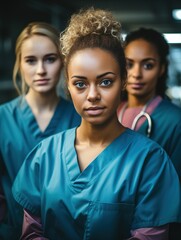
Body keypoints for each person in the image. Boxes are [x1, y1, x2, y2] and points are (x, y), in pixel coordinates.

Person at [12, 8, 180, 240]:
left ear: (122, 81)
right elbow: (31, 233)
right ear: (68, 86)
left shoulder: (150, 161)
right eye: (80, 84)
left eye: (106, 82)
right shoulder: (44, 155)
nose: (92, 95)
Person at [0, 21, 80, 240]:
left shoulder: (80, 117)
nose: (41, 70)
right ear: (19, 64)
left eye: (50, 59)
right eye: (31, 61)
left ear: (63, 62)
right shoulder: (3, 118)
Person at [117, 27, 181, 239]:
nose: (137, 74)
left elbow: (172, 193)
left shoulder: (174, 121)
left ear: (162, 68)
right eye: (129, 64)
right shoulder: (107, 113)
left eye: (148, 65)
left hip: (152, 226)